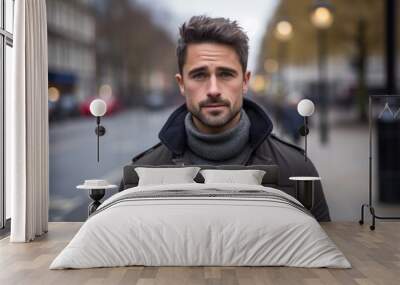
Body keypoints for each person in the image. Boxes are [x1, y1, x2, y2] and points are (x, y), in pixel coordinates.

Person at [119, 15, 330, 222]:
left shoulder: (299, 171)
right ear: (181, 83)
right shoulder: (138, 178)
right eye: (199, 75)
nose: (213, 90)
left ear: (245, 81)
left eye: (226, 74)